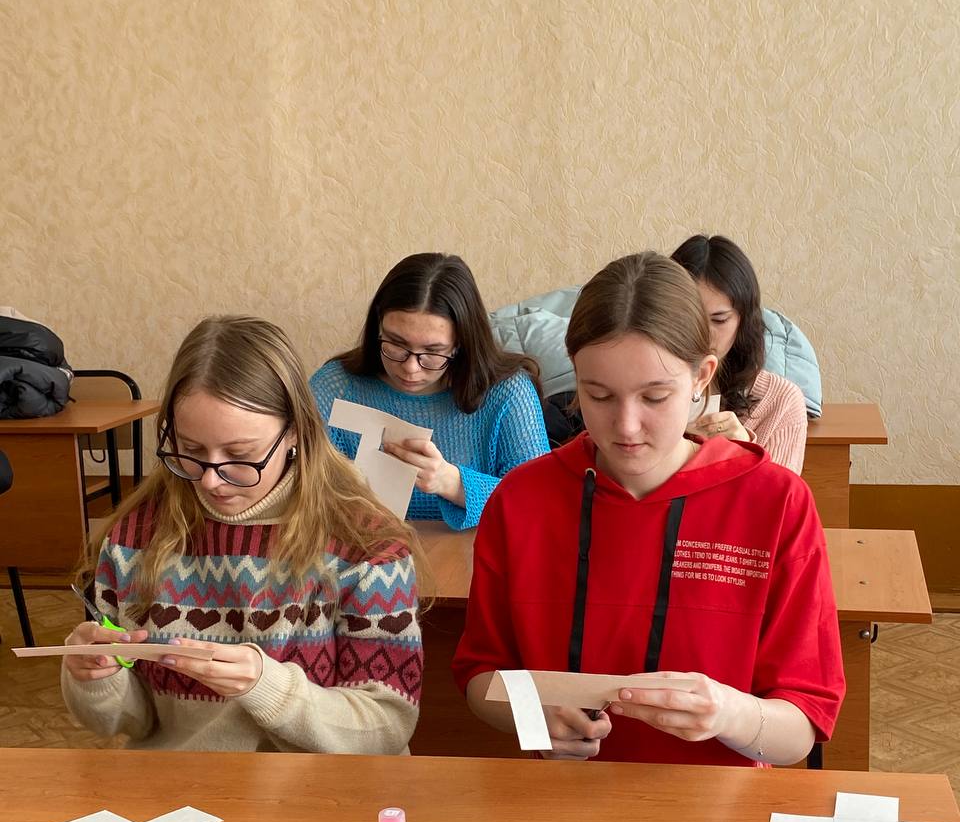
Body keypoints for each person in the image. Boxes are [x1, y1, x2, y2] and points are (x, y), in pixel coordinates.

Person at [453, 252, 844, 766]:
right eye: (598, 395)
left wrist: (729, 714)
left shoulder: (775, 503)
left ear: (702, 377)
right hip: (561, 798)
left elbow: (801, 731)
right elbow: (481, 674)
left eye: (655, 397)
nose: (626, 426)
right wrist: (533, 717)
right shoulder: (522, 499)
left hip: (721, 802)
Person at [61, 316, 422, 754]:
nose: (211, 480)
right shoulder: (135, 539)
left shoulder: (365, 547)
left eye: (240, 455)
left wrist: (267, 686)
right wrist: (97, 678)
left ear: (295, 431)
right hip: (179, 785)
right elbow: (135, 723)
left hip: (321, 789)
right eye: (191, 450)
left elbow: (386, 727)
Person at [310, 253, 550, 530]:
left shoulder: (507, 393)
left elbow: (540, 503)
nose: (410, 368)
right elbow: (300, 492)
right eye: (396, 344)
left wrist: (452, 483)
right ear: (378, 326)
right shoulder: (335, 387)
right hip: (361, 550)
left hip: (476, 552)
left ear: (460, 343)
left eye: (433, 352)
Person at [671, 234, 808, 473]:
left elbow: (782, 495)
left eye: (719, 320)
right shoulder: (637, 387)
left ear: (743, 321)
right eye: (689, 319)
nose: (703, 334)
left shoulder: (781, 402)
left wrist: (745, 451)